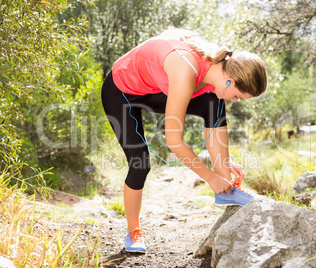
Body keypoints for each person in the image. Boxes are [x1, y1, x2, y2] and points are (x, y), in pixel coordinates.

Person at [101, 28, 267, 253]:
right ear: (229, 80)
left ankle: (226, 190)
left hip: (155, 87)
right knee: (140, 162)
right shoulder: (186, 70)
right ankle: (133, 231)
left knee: (214, 102)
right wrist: (209, 177)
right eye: (238, 96)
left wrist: (223, 163)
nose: (235, 101)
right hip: (122, 92)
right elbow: (174, 141)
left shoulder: (218, 68)